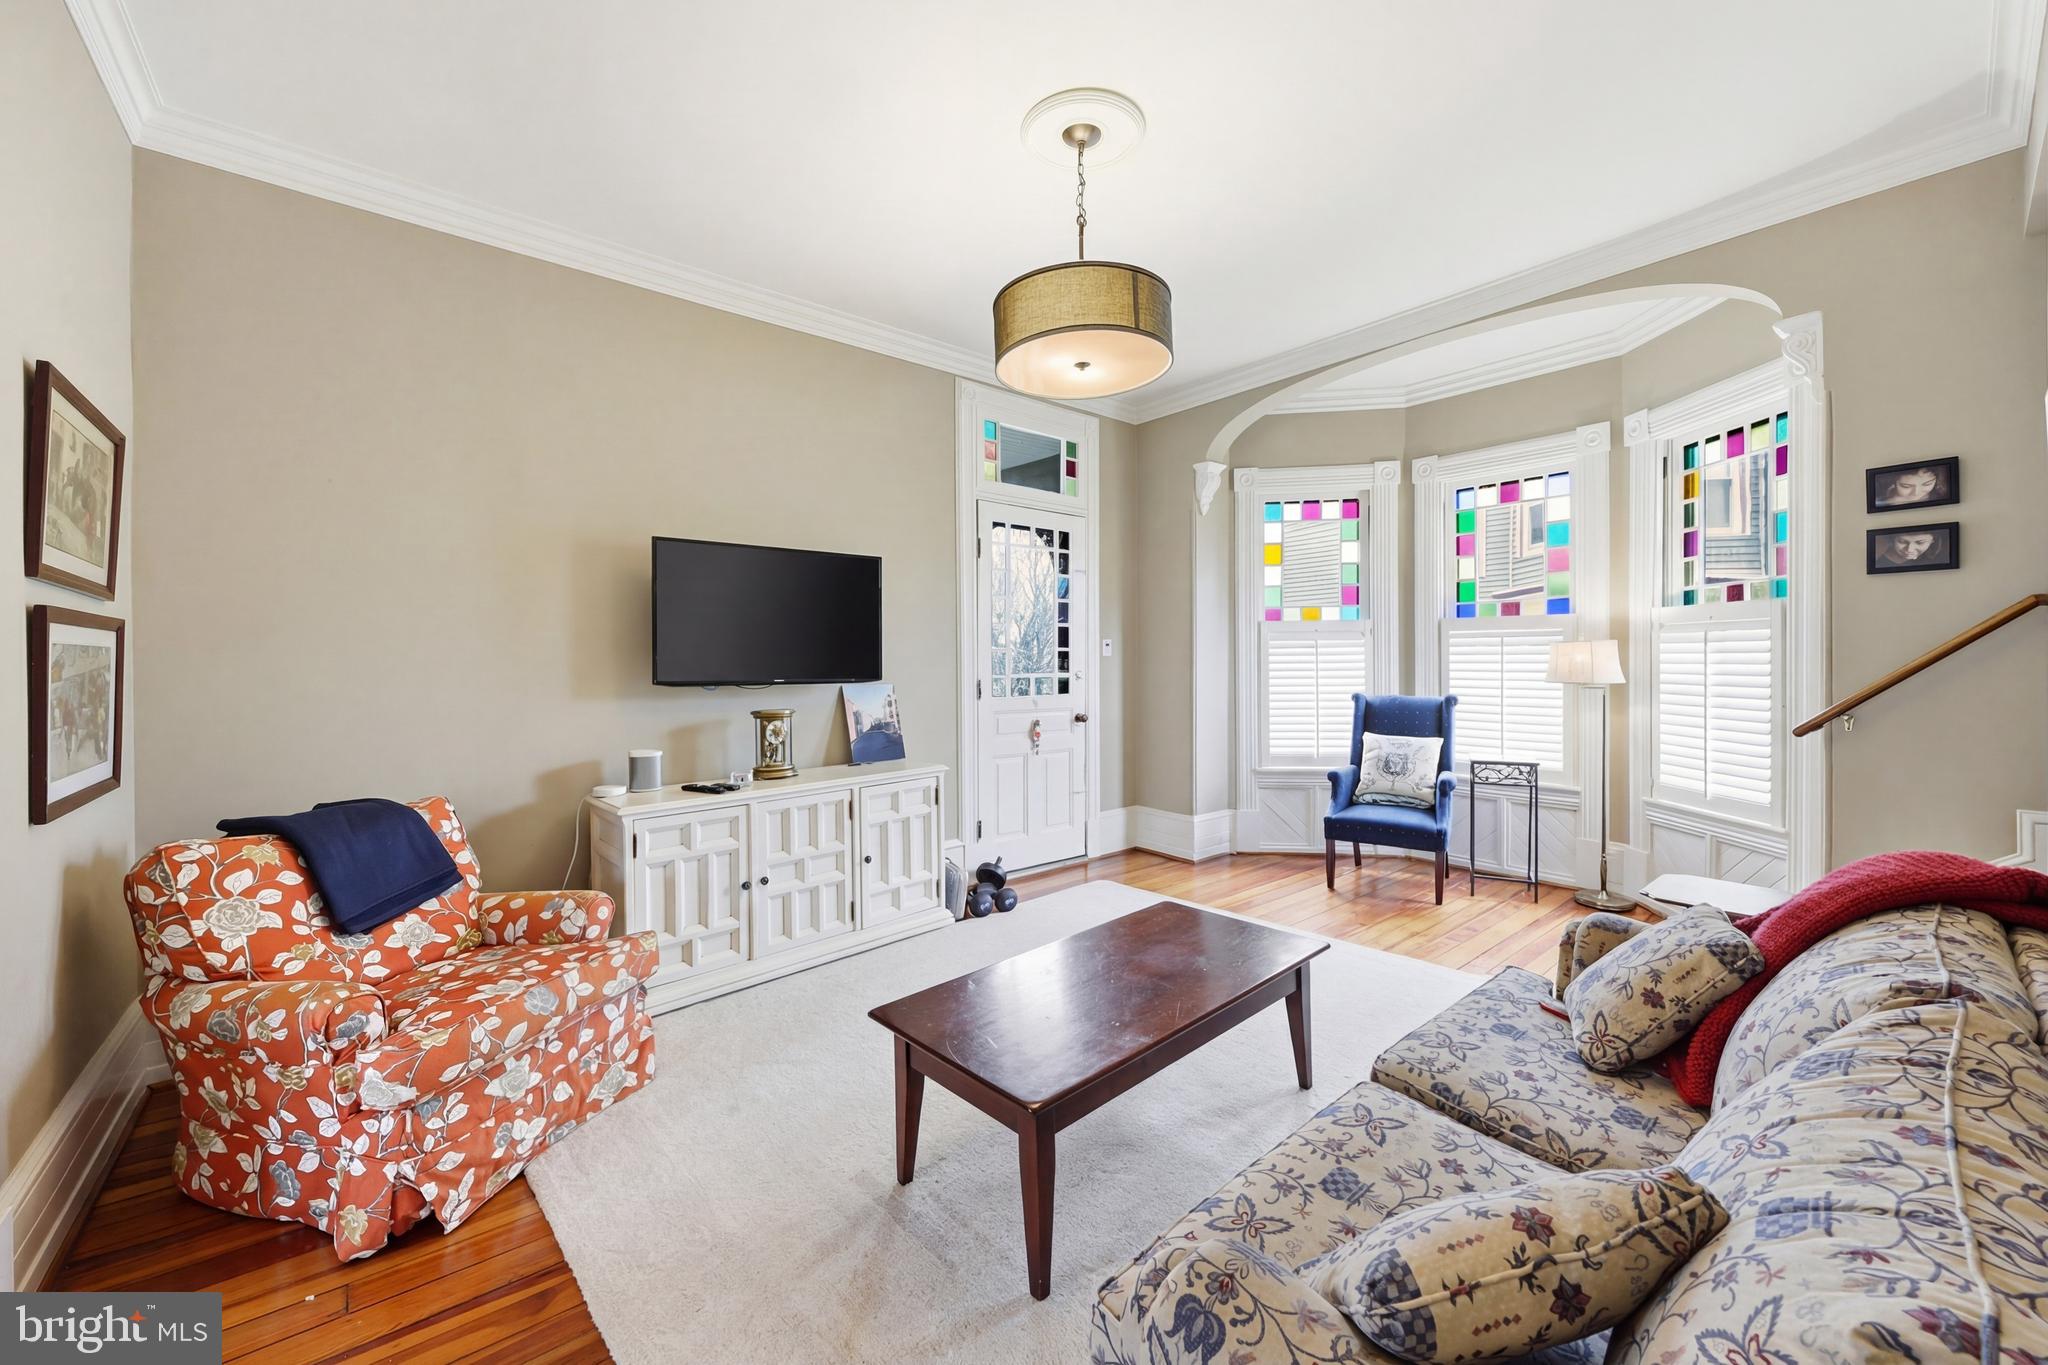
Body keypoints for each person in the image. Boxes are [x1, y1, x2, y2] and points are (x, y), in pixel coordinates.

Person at [1875, 465, 1944, 507]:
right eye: (1906, 486)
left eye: (1927, 484)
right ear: (1893, 483)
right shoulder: (1879, 502)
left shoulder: (1941, 497)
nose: (1916, 493)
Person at [1874, 529, 1941, 567]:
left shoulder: (1934, 560)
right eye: (1902, 541)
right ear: (1893, 540)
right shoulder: (1878, 560)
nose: (1909, 549)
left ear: (1932, 541)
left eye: (1920, 543)